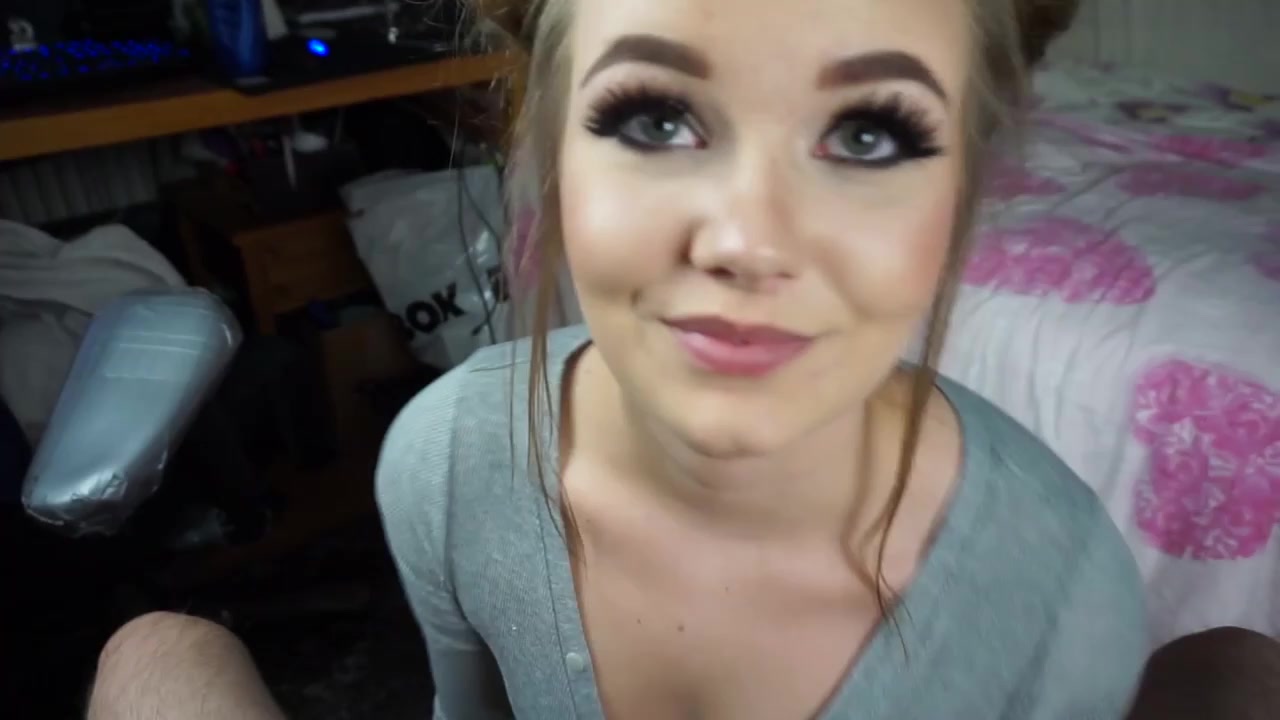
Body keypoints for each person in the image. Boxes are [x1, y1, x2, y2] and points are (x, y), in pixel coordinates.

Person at [76, 1, 1280, 719]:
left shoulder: (1057, 596)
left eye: (867, 134)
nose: (747, 241)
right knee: (154, 650)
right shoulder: (446, 461)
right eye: (655, 118)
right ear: (546, 143)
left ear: (966, 180)